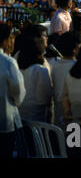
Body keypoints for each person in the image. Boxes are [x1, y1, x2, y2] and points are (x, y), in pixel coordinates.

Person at [0, 24, 26, 158]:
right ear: (5, 41)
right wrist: (17, 102)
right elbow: (18, 91)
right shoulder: (8, 62)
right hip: (5, 120)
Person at [17, 37, 53, 122]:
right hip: (37, 119)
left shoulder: (18, 68)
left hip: (20, 117)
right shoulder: (40, 70)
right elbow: (45, 99)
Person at [51, 31, 81, 128]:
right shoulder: (77, 67)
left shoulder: (55, 66)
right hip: (73, 116)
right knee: (74, 142)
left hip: (58, 114)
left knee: (61, 141)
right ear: (75, 48)